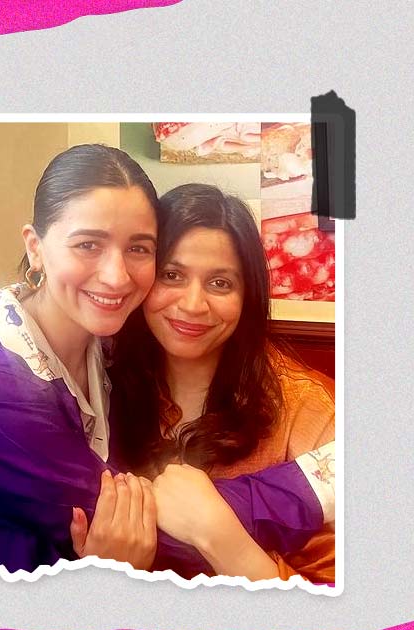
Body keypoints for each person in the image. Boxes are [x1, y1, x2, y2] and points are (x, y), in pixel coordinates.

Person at [0, 145, 332, 575]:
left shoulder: (108, 353)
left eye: (138, 248)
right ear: (35, 247)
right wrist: (319, 483)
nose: (116, 276)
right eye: (88, 244)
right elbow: (147, 523)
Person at [110, 183, 338, 582]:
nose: (192, 305)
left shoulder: (308, 410)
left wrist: (220, 535)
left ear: (247, 294)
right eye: (172, 275)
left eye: (220, 283)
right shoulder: (102, 385)